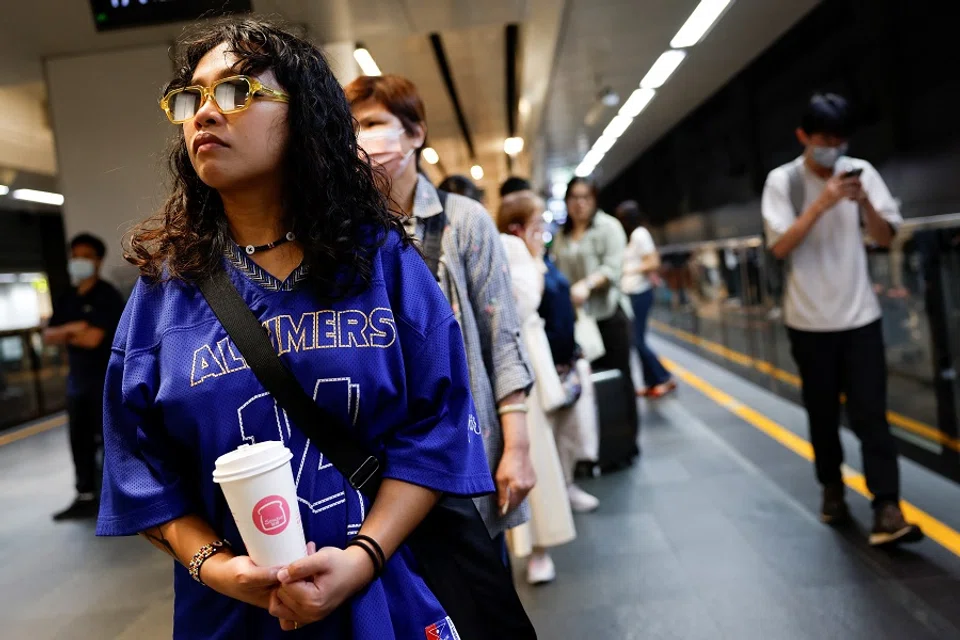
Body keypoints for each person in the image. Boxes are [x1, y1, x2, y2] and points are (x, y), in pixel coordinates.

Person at [97, 19, 498, 638]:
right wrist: (217, 568)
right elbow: (139, 467)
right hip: (234, 617)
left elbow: (440, 425)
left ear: (305, 114)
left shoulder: (382, 261)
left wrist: (363, 558)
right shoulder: (164, 289)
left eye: (234, 91)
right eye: (189, 98)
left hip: (388, 596)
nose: (203, 114)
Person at [345, 75, 536, 560]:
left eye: (372, 123)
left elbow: (502, 337)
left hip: (465, 450)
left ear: (414, 133)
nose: (360, 137)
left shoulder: (463, 221)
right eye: (350, 126)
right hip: (379, 466)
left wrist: (516, 448)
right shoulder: (342, 235)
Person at [761, 92, 922, 547]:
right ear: (803, 137)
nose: (832, 148)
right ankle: (832, 488)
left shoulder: (862, 172)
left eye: (839, 139)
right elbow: (778, 247)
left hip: (860, 317)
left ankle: (886, 507)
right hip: (808, 322)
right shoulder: (783, 182)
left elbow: (886, 238)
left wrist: (864, 202)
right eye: (824, 140)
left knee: (873, 415)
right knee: (823, 415)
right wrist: (823, 202)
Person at [497, 191, 586, 585]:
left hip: (537, 358)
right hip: (522, 363)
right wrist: (532, 255)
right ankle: (534, 549)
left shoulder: (524, 251)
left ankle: (536, 547)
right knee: (533, 455)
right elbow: (524, 303)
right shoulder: (512, 249)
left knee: (545, 450)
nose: (544, 231)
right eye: (537, 224)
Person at [551, 177, 639, 461]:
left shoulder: (609, 227)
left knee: (619, 378)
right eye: (574, 197)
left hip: (608, 314)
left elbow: (613, 267)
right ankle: (597, 447)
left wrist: (587, 285)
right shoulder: (562, 235)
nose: (579, 203)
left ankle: (625, 444)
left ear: (594, 199)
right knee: (588, 384)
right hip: (579, 321)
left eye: (585, 197)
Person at [44, 232, 124, 521]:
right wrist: (76, 327)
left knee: (110, 439)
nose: (79, 261)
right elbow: (48, 335)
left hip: (104, 382)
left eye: (86, 256)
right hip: (77, 383)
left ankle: (117, 498)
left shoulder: (107, 296)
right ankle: (85, 495)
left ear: (98, 260)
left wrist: (70, 332)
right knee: (79, 441)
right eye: (75, 256)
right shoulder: (67, 297)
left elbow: (93, 339)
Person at [616, 200, 676, 398]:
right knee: (636, 340)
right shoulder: (631, 237)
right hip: (631, 294)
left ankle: (663, 377)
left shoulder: (640, 234)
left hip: (641, 293)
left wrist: (628, 270)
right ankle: (651, 381)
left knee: (637, 340)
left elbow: (653, 262)